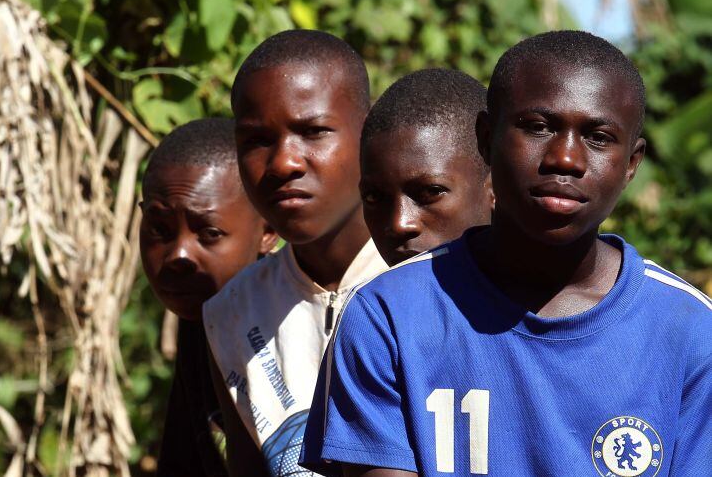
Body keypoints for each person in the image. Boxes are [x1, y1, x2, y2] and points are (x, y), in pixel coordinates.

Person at [301, 30, 712, 476]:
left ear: (631, 164)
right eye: (538, 127)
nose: (565, 158)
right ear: (486, 138)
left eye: (597, 137)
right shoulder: (388, 315)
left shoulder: (690, 332)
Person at [202, 30, 388, 477]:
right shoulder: (232, 315)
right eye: (257, 140)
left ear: (369, 134)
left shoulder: (436, 283)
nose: (284, 162)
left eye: (312, 131)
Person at [140, 118, 277, 477]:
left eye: (209, 233)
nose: (179, 255)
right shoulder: (204, 320)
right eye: (160, 230)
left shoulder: (296, 324)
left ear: (268, 231)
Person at [358, 68, 493, 266]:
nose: (400, 224)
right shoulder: (371, 288)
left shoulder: (541, 284)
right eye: (374, 198)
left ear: (496, 186)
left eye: (431, 192)